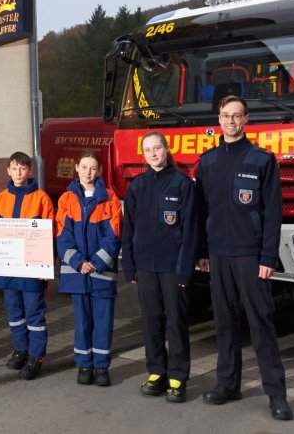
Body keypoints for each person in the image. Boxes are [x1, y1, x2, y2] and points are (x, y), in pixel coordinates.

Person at [195, 95, 293, 420]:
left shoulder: (262, 160)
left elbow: (273, 213)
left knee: (261, 322)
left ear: (246, 119)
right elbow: (200, 212)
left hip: (251, 256)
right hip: (218, 255)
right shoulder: (207, 162)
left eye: (237, 116)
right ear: (219, 120)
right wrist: (202, 253)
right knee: (224, 323)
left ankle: (277, 395)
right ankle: (228, 384)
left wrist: (268, 256)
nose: (231, 121)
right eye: (225, 115)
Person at [122, 132, 197, 402]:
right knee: (151, 322)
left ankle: (177, 377)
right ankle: (156, 372)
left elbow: (190, 232)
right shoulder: (136, 187)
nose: (153, 153)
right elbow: (128, 229)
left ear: (166, 149)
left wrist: (184, 269)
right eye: (148, 150)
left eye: (157, 148)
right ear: (143, 154)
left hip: (172, 267)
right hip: (145, 267)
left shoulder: (182, 184)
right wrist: (129, 268)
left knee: (175, 323)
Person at [56, 151, 122, 386]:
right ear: (76, 168)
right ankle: (84, 364)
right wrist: (78, 262)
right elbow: (62, 237)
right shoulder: (66, 199)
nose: (88, 172)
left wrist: (96, 262)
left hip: (101, 273)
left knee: (103, 321)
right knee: (82, 321)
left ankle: (102, 367)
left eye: (93, 168)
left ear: (99, 171)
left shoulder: (110, 198)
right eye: (84, 167)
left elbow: (114, 236)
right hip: (77, 273)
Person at [0, 151, 55, 380]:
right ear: (8, 171)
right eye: (14, 168)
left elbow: (51, 235)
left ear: (29, 171)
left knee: (34, 313)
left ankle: (36, 356)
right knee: (14, 312)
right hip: (8, 268)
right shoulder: (0, 199)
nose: (19, 172)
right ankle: (21, 349)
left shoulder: (42, 198)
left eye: (23, 168)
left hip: (31, 269)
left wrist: (45, 267)